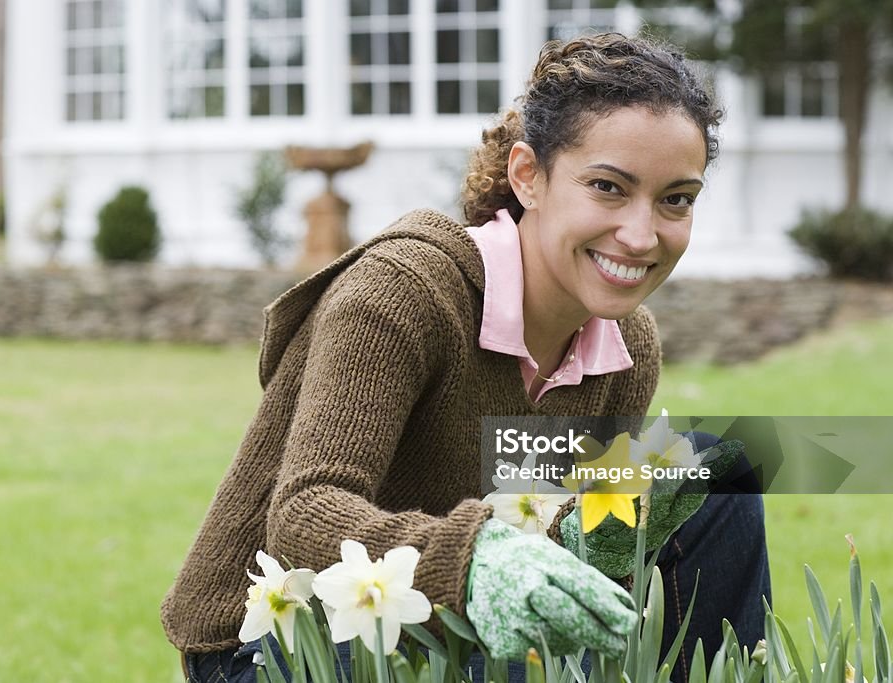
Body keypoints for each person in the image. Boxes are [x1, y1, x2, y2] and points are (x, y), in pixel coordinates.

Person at [163, 33, 771, 683]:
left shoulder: (627, 347)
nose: (642, 233)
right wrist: (476, 556)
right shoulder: (406, 291)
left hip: (457, 627)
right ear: (528, 176)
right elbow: (306, 513)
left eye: (676, 198)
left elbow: (548, 519)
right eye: (608, 187)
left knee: (716, 481)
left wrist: (595, 533)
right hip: (275, 639)